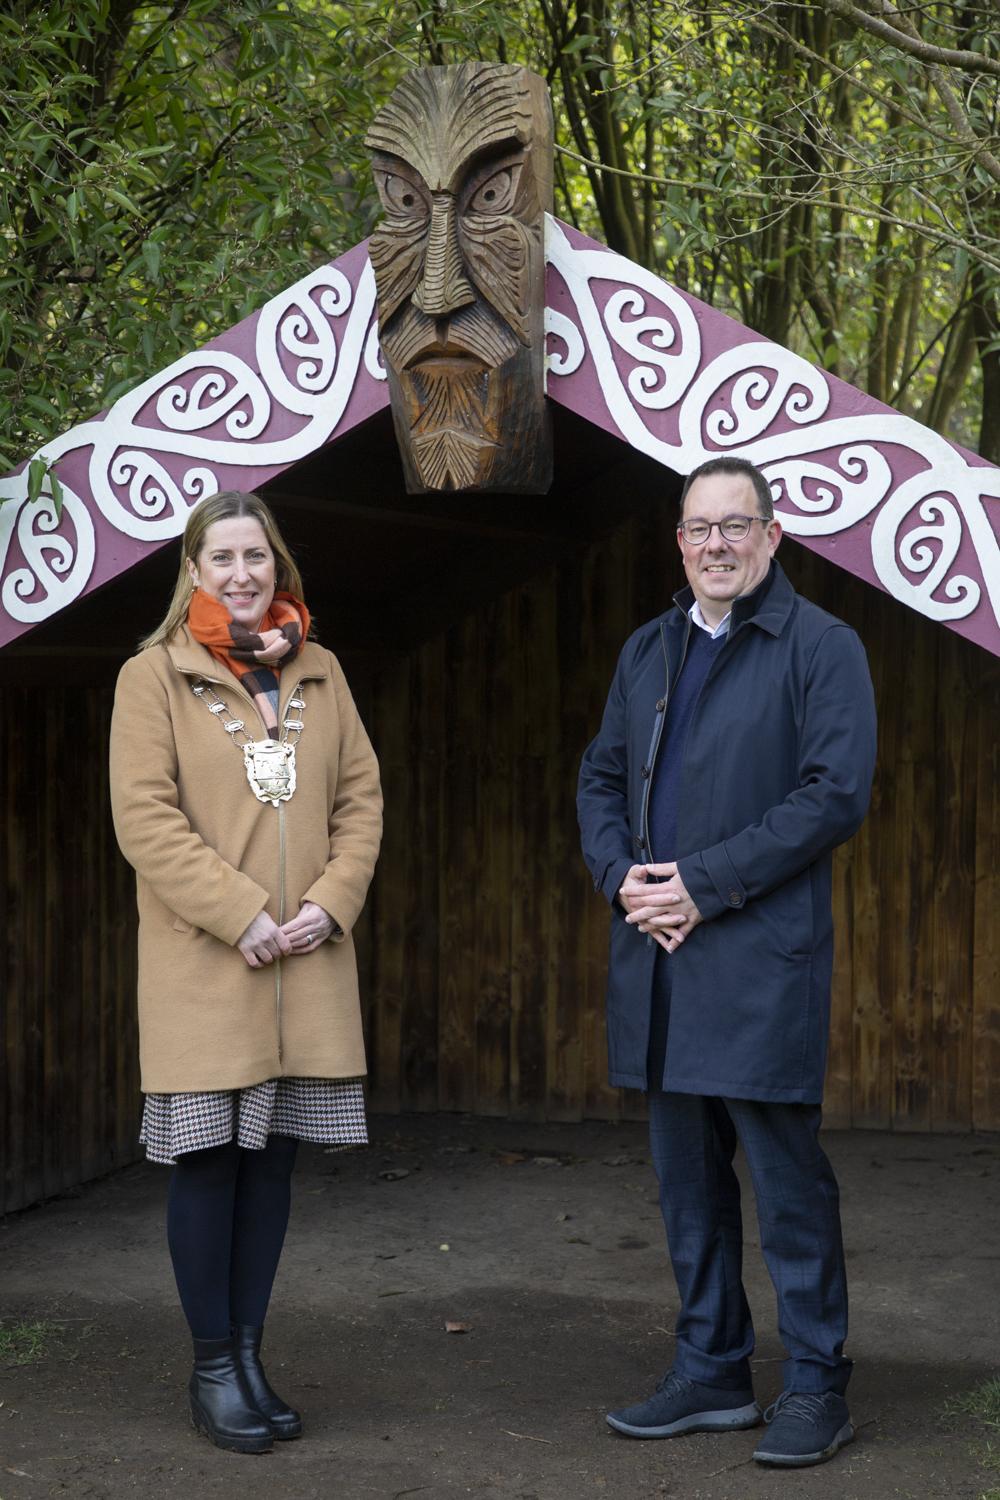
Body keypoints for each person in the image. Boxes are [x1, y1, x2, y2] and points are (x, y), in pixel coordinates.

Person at [577, 456, 876, 1469]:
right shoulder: (647, 650)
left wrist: (702, 882)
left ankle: (816, 1386)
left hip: (756, 961)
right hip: (658, 958)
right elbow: (601, 776)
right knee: (686, 1183)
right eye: (698, 527)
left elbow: (833, 793)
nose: (715, 543)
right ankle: (709, 1372)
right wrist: (622, 876)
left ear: (770, 537)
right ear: (678, 540)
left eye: (734, 525)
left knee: (788, 1191)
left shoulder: (821, 647)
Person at [109, 490, 382, 1454]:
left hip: (305, 963)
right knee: (210, 1165)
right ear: (193, 571)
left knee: (272, 1167)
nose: (240, 572)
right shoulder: (153, 677)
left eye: (255, 556)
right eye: (221, 557)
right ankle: (213, 1367)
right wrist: (243, 915)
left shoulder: (323, 671)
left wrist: (328, 902)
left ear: (279, 568)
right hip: (206, 967)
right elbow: (145, 821)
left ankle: (253, 1356)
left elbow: (360, 803)